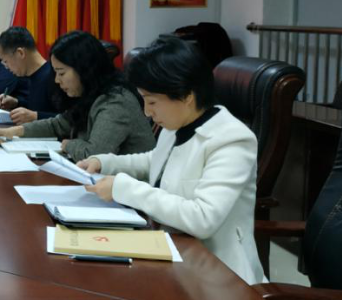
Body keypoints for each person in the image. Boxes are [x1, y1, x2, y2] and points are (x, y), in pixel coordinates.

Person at [76, 36, 266, 285]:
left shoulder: (232, 140)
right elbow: (155, 161)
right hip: (170, 250)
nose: (147, 112)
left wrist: (124, 188)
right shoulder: (177, 123)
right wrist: (106, 163)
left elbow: (202, 218)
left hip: (215, 273)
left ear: (186, 95)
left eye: (152, 101)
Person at [0, 30, 155, 161]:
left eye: (61, 73)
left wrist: (68, 144)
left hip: (128, 190)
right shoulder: (89, 94)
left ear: (84, 70)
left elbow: (94, 154)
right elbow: (57, 125)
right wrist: (13, 132)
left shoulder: (116, 100)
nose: (57, 80)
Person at [0, 26, 57, 123]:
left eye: (5, 61)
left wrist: (36, 116)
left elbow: (69, 120)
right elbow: (38, 106)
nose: (6, 67)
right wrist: (16, 102)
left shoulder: (55, 77)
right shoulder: (30, 75)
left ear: (20, 53)